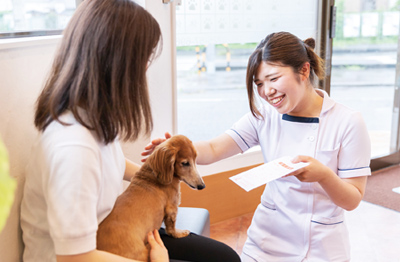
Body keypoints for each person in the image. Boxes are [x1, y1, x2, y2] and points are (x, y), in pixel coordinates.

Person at [20, 1, 240, 262]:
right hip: (88, 254)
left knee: (225, 258)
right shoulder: (73, 147)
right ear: (117, 62)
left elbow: (109, 163)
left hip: (111, 235)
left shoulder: (91, 117)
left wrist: (160, 176)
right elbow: (75, 258)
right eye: (144, 58)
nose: (146, 68)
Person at [144, 32, 371, 262]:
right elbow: (213, 148)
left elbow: (352, 199)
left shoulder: (348, 122)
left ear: (303, 70)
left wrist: (323, 175)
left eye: (273, 79)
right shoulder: (264, 116)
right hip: (267, 241)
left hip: (321, 247)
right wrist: (172, 149)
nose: (267, 91)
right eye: (259, 84)